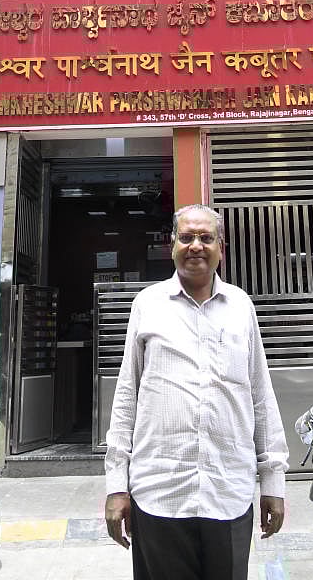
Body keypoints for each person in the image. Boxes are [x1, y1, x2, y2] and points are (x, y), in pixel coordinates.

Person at [104, 203, 288, 580]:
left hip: (228, 493)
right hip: (159, 494)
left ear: (222, 246)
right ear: (172, 244)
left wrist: (273, 481)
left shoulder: (241, 307)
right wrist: (116, 486)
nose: (196, 246)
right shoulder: (148, 305)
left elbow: (260, 396)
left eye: (206, 238)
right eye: (186, 237)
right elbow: (126, 397)